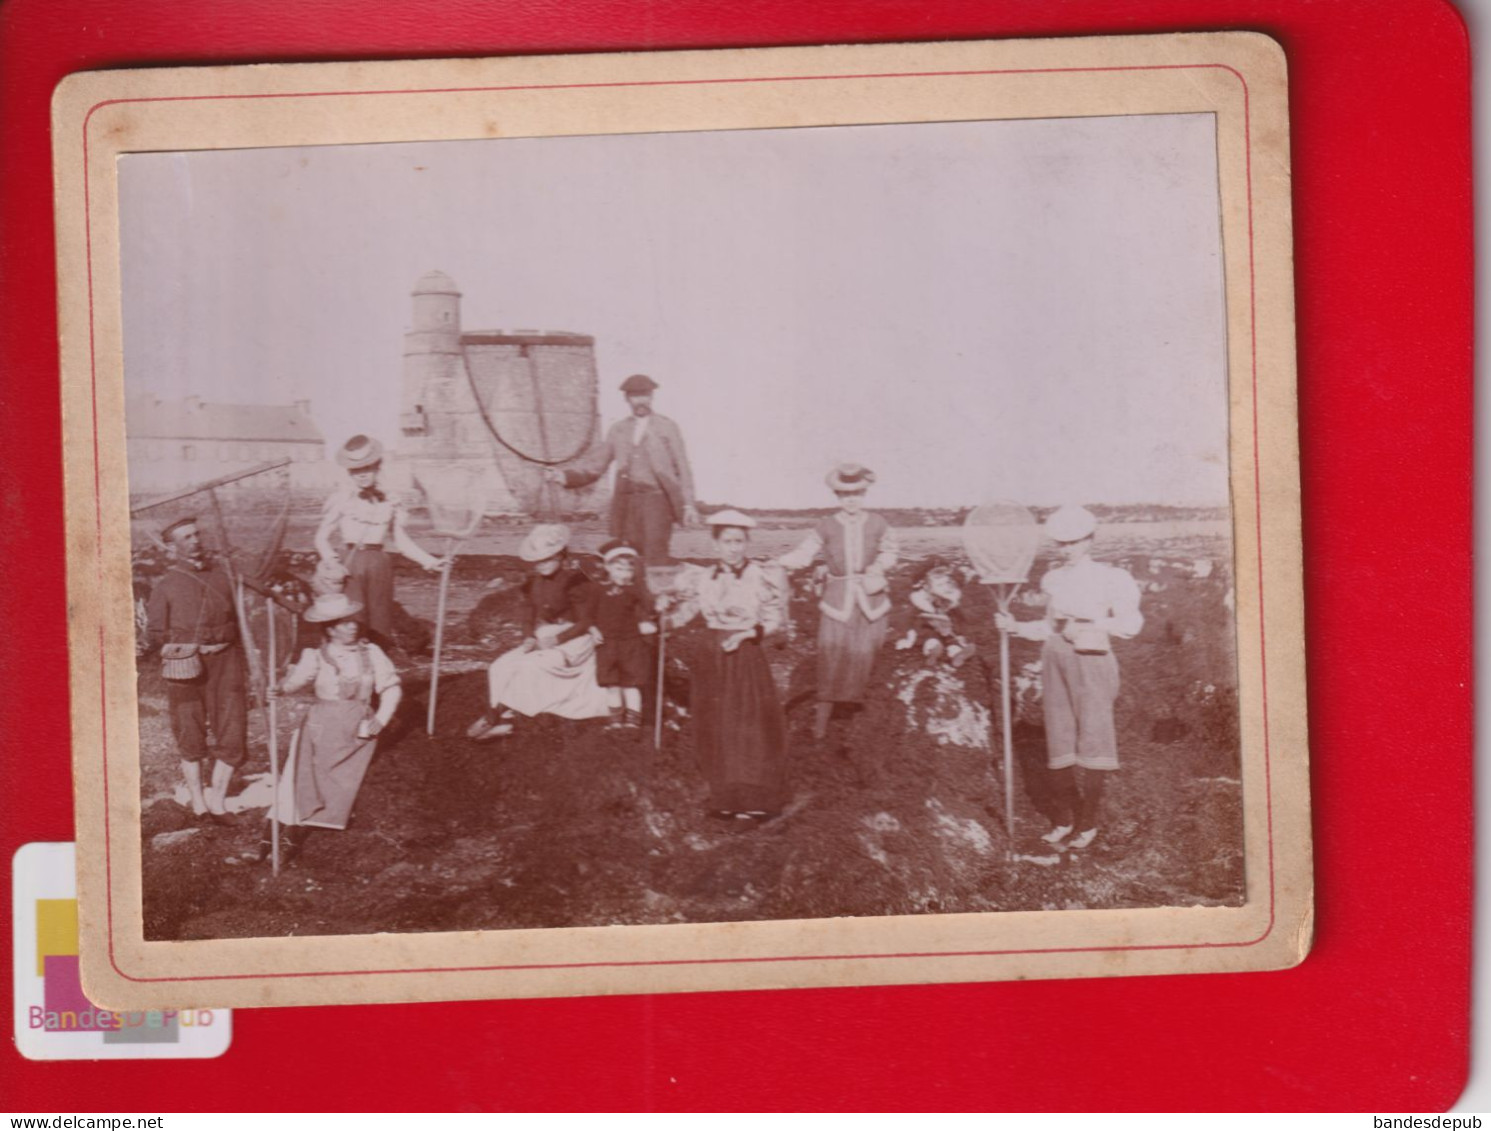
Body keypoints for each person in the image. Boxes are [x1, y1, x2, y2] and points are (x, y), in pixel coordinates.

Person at [995, 505, 1143, 850]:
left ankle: (1088, 823)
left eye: (1074, 542)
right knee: (1059, 739)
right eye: (1061, 544)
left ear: (1089, 540)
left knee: (1094, 740)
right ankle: (1064, 819)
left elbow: (1131, 625)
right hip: (1055, 659)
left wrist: (1091, 623)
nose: (1067, 550)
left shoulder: (1111, 578)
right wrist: (1014, 626)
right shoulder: (1054, 579)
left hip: (1092, 660)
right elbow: (1049, 627)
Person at [246, 593, 401, 864]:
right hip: (319, 728)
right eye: (343, 623)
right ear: (330, 628)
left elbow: (391, 687)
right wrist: (277, 689)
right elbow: (294, 683)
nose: (352, 626)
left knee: (334, 787)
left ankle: (289, 844)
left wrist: (382, 719)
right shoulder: (315, 655)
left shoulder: (372, 653)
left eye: (353, 621)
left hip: (357, 731)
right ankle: (264, 846)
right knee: (296, 783)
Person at [662, 510, 788, 819]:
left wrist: (747, 634)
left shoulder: (760, 575)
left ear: (746, 543)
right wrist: (663, 618)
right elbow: (687, 611)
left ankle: (754, 800)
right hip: (711, 658)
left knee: (748, 727)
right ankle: (724, 797)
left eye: (739, 541)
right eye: (727, 541)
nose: (733, 548)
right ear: (715, 544)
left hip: (745, 658)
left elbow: (775, 620)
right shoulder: (703, 578)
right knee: (716, 725)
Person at [775, 463, 899, 740]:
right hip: (837, 601)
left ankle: (864, 726)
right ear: (837, 496)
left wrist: (879, 566)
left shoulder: (878, 523)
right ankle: (820, 728)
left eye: (856, 493)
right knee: (832, 657)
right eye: (844, 494)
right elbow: (805, 553)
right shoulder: (826, 526)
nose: (851, 499)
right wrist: (781, 562)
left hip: (872, 601)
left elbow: (891, 551)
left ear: (864, 493)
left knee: (868, 657)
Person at [145, 516, 247, 826]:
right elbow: (155, 633)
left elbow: (241, 622)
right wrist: (181, 648)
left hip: (226, 662)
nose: (195, 541)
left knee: (233, 728)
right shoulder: (166, 585)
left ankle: (218, 802)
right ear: (173, 547)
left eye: (196, 534)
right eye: (186, 537)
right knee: (189, 730)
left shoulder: (222, 578)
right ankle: (199, 804)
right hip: (186, 667)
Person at [466, 524, 610, 739]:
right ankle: (505, 720)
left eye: (547, 559)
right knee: (501, 666)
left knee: (533, 666)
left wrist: (558, 638)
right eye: (537, 561)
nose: (541, 565)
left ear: (561, 557)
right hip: (546, 634)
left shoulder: (575, 582)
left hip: (576, 638)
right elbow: (528, 611)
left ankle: (494, 714)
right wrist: (528, 636)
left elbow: (586, 620)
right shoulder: (534, 583)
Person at [544, 374, 699, 567]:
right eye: (634, 396)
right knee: (627, 556)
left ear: (651, 397)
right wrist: (564, 476)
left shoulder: (667, 427)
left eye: (644, 395)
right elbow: (596, 464)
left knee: (655, 555)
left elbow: (683, 468)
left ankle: (656, 595)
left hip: (657, 502)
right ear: (627, 399)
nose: (640, 401)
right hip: (627, 504)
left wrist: (688, 504)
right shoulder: (618, 430)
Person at [314, 434, 445, 648]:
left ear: (378, 467)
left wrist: (429, 561)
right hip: (350, 566)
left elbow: (401, 541)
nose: (362, 475)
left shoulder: (390, 502)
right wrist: (332, 561)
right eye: (356, 471)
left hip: (380, 565)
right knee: (352, 620)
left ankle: (377, 672)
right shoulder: (342, 499)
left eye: (367, 468)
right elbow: (321, 538)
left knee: (379, 620)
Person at [590, 539, 658, 730]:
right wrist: (593, 629)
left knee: (631, 684)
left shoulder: (635, 590)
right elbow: (589, 614)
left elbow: (649, 608)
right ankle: (615, 722)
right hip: (607, 645)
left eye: (628, 570)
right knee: (612, 685)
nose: (624, 575)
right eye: (619, 569)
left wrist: (656, 609)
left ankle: (632, 723)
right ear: (608, 568)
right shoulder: (598, 590)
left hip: (631, 645)